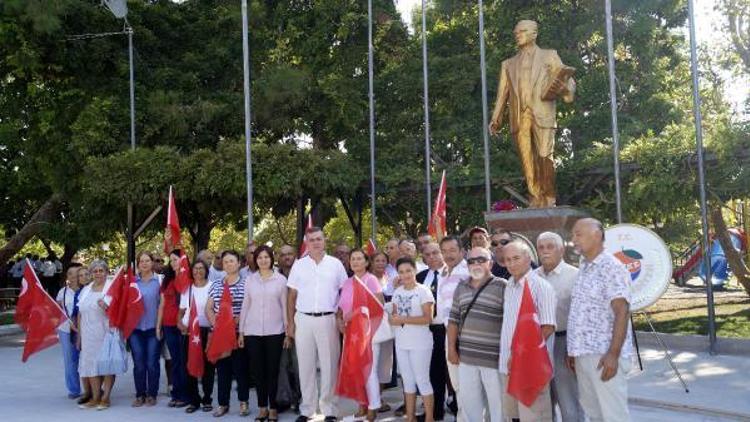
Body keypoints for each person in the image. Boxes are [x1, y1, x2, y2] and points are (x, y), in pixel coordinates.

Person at [489, 19, 576, 208]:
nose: (517, 35)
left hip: (543, 113)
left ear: (534, 34)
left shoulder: (549, 55)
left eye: (521, 31)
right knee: (527, 161)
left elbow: (566, 78)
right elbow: (502, 94)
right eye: (516, 33)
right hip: (520, 116)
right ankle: (535, 196)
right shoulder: (508, 64)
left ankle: (549, 195)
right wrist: (496, 118)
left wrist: (566, 89)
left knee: (545, 155)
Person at [567, 218, 633, 422]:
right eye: (572, 235)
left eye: (578, 234)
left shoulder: (612, 267)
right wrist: (573, 351)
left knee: (613, 415)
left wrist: (613, 354)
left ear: (596, 235)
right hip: (583, 353)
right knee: (594, 414)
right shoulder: (585, 266)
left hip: (603, 355)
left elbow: (622, 311)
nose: (573, 240)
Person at [286, 227, 348, 422]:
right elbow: (291, 296)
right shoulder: (299, 265)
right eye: (311, 240)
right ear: (307, 242)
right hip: (303, 319)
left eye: (319, 239)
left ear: (324, 240)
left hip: (328, 319)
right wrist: (290, 322)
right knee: (305, 366)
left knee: (330, 365)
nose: (315, 242)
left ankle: (329, 409)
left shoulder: (335, 264)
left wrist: (340, 317)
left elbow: (344, 294)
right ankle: (307, 410)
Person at [500, 241, 557, 421]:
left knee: (534, 416)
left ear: (528, 258)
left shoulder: (541, 286)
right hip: (507, 365)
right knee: (513, 416)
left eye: (516, 258)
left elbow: (547, 327)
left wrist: (519, 354)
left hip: (530, 366)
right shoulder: (509, 285)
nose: (511, 263)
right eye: (507, 260)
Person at [447, 247, 505, 422]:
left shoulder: (503, 285)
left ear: (491, 263)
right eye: (471, 261)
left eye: (481, 259)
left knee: (498, 408)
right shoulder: (461, 286)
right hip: (466, 359)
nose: (476, 264)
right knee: (470, 406)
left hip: (494, 359)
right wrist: (451, 349)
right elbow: (453, 320)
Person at [535, 232, 583, 422]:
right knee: (544, 402)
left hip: (564, 344)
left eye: (550, 246)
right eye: (541, 247)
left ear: (561, 250)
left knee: (568, 401)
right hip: (539, 345)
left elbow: (580, 316)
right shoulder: (532, 276)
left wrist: (574, 350)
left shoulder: (575, 275)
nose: (545, 251)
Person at [239, 245, 289, 422]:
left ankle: (273, 407)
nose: (263, 260)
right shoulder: (250, 280)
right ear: (255, 260)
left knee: (273, 371)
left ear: (271, 258)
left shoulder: (280, 280)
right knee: (258, 372)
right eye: (259, 257)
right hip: (252, 332)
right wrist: (241, 332)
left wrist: (287, 332)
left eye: (266, 257)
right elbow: (245, 305)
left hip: (275, 332)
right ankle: (262, 407)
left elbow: (285, 307)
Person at [335, 249, 386, 421]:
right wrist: (340, 320)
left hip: (369, 332)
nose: (356, 262)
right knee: (356, 369)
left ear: (366, 262)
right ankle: (362, 405)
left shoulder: (371, 280)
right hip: (352, 333)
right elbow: (342, 308)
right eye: (353, 259)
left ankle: (373, 406)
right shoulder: (348, 282)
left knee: (369, 370)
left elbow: (379, 306)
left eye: (359, 259)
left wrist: (363, 319)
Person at [390, 257, 435, 422]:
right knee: (407, 382)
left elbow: (427, 318)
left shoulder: (424, 291)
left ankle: (429, 418)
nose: (405, 274)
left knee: (422, 380)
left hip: (420, 343)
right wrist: (392, 318)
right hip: (402, 342)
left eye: (408, 270)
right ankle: (410, 417)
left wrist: (402, 319)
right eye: (401, 272)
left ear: (415, 270)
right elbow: (394, 317)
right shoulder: (397, 292)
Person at [206, 250, 249, 417]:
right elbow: (208, 308)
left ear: (239, 263)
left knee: (240, 371)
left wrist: (237, 321)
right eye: (225, 262)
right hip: (221, 335)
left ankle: (243, 403)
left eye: (232, 261)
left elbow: (248, 307)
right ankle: (223, 404)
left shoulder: (246, 283)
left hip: (239, 334)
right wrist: (217, 324)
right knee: (223, 371)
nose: (228, 264)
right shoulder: (216, 285)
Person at [76, 259, 116, 410]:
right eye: (95, 271)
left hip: (105, 332)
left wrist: (106, 307)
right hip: (87, 334)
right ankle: (95, 397)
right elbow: (80, 314)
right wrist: (79, 336)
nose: (98, 273)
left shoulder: (111, 288)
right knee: (90, 364)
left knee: (106, 365)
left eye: (101, 270)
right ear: (92, 273)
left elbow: (118, 312)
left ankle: (105, 398)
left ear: (106, 272)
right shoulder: (86, 289)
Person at [416, 242, 449, 421]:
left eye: (435, 253)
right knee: (433, 371)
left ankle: (461, 409)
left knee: (453, 373)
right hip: (428, 330)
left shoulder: (452, 273)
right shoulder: (420, 276)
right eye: (427, 254)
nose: (432, 257)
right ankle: (435, 412)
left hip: (448, 329)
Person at [178, 259, 215, 413]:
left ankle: (207, 399)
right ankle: (194, 400)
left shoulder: (213, 286)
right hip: (191, 332)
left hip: (208, 331)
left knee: (208, 367)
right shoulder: (187, 289)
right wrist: (180, 325)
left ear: (206, 270)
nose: (198, 271)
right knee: (190, 365)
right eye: (195, 268)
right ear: (191, 271)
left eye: (201, 268)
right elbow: (180, 312)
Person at [438, 235, 468, 415]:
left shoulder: (467, 273)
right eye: (445, 251)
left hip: (463, 336)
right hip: (448, 334)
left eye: (452, 250)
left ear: (462, 251)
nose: (448, 255)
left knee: (466, 386)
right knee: (457, 385)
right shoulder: (444, 272)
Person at [157, 250, 189, 408]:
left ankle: (185, 394)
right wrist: (158, 326)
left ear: (183, 260)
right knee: (175, 360)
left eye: (175, 259)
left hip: (184, 324)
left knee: (184, 360)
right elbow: (162, 305)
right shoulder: (167, 280)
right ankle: (176, 394)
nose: (173, 263)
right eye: (171, 260)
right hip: (169, 325)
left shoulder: (188, 278)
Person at [129, 252, 162, 408]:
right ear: (138, 263)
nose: (144, 263)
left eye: (147, 260)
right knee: (139, 364)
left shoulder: (159, 281)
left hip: (153, 329)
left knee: (152, 363)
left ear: (152, 263)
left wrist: (159, 326)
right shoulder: (132, 282)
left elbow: (162, 305)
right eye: (141, 261)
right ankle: (140, 394)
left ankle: (152, 394)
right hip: (135, 329)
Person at [56, 266, 81, 399]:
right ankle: (74, 389)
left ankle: (93, 388)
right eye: (70, 273)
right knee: (70, 360)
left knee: (86, 359)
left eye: (76, 273)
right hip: (66, 330)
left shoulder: (86, 290)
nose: (73, 276)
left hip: (84, 329)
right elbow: (57, 311)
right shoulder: (62, 292)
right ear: (67, 276)